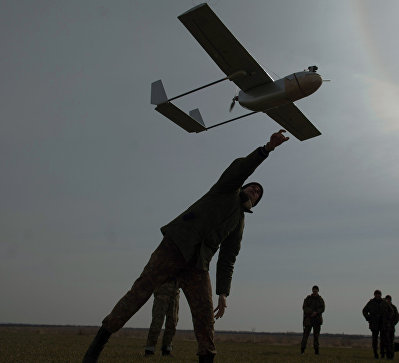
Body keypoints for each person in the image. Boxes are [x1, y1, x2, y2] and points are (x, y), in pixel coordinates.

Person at [82, 130, 290, 363]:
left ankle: (207, 358)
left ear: (256, 203)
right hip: (174, 246)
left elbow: (228, 258)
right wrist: (267, 149)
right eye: (253, 186)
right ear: (243, 187)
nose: (255, 190)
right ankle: (96, 347)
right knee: (139, 293)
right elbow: (240, 169)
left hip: (197, 265)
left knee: (204, 317)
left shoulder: (239, 223)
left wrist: (223, 292)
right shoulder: (226, 189)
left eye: (259, 193)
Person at [144, 279, 180, 356]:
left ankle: (166, 349)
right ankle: (150, 349)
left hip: (175, 293)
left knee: (173, 322)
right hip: (162, 292)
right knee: (157, 321)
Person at [300, 285, 325, 355]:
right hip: (308, 320)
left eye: (316, 291)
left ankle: (316, 352)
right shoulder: (308, 299)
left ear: (318, 291)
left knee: (316, 337)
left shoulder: (320, 300)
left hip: (317, 320)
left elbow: (323, 308)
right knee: (305, 336)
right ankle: (302, 351)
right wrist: (311, 312)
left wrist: (316, 312)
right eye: (314, 290)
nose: (314, 292)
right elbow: (304, 307)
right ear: (312, 290)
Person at [363, 290, 386, 359]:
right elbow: (364, 311)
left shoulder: (384, 302)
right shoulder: (371, 302)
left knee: (383, 340)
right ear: (374, 295)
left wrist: (387, 320)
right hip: (374, 324)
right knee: (374, 340)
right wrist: (368, 318)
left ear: (381, 295)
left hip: (382, 324)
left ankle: (382, 354)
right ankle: (375, 353)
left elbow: (391, 312)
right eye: (376, 294)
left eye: (379, 294)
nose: (378, 295)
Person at [381, 294, 399, 360]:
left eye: (388, 299)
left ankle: (392, 355)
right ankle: (387, 355)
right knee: (385, 342)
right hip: (384, 327)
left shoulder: (393, 307)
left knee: (391, 342)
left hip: (391, 328)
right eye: (386, 299)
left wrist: (392, 324)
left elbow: (397, 317)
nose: (387, 300)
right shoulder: (383, 307)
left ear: (390, 300)